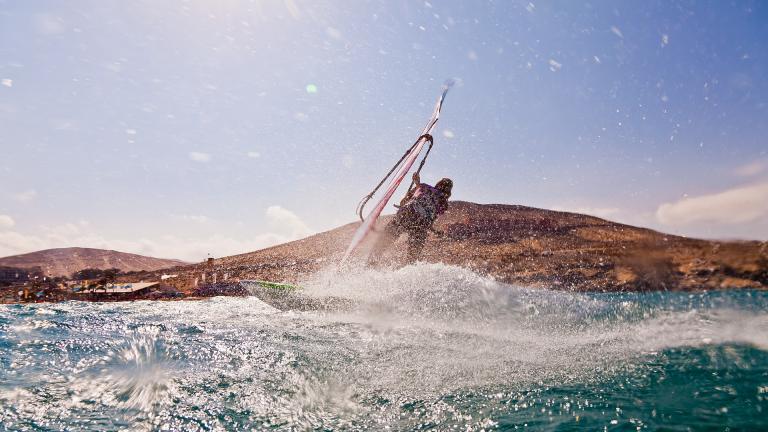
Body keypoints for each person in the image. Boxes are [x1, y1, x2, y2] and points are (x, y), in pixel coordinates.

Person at [370, 173, 453, 264]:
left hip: (406, 215)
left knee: (382, 244)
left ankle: (371, 264)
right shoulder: (444, 204)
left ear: (438, 184)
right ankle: (407, 270)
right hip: (421, 225)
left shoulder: (424, 187)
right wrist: (434, 230)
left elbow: (403, 202)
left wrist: (417, 184)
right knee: (412, 258)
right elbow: (430, 219)